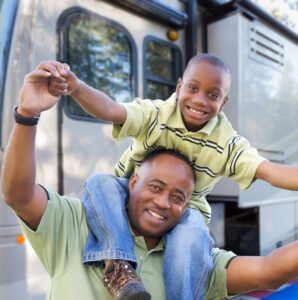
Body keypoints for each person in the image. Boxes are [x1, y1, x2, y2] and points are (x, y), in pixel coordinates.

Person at [3, 64, 298, 300]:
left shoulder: (192, 254)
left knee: (190, 234)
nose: (199, 100)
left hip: (192, 216)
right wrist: (43, 105)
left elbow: (268, 268)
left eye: (212, 94)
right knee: (100, 182)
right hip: (117, 189)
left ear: (224, 102)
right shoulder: (75, 227)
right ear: (179, 87)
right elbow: (110, 109)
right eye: (155, 188)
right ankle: (117, 265)